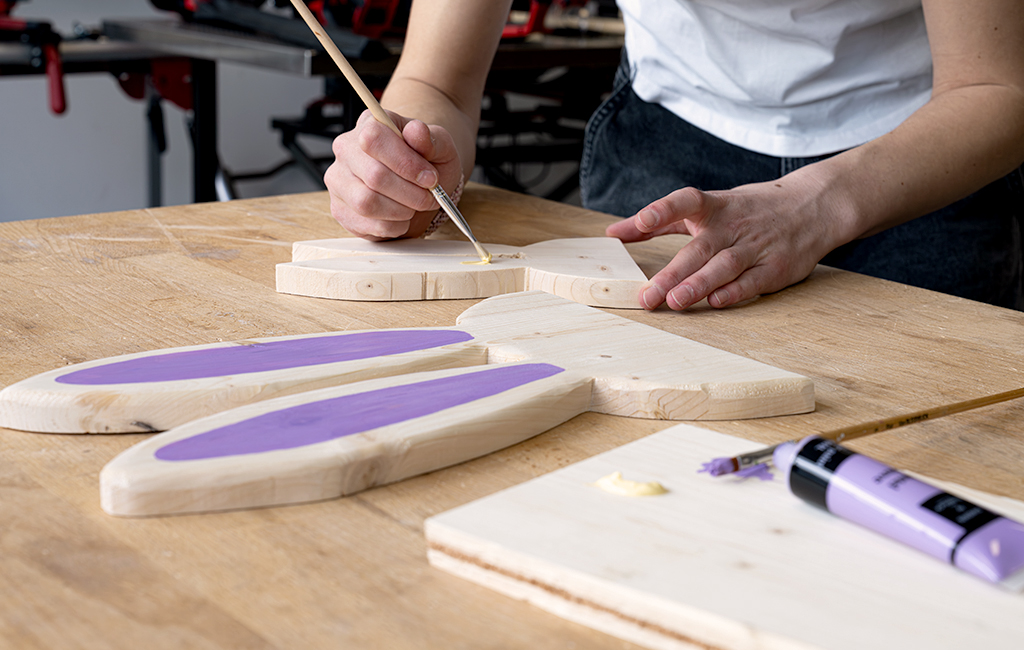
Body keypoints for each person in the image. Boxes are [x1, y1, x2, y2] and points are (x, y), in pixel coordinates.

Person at [324, 0, 1024, 311]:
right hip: (666, 135)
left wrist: (819, 207)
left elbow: (997, 87)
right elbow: (438, 84)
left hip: (916, 158)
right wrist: (405, 164)